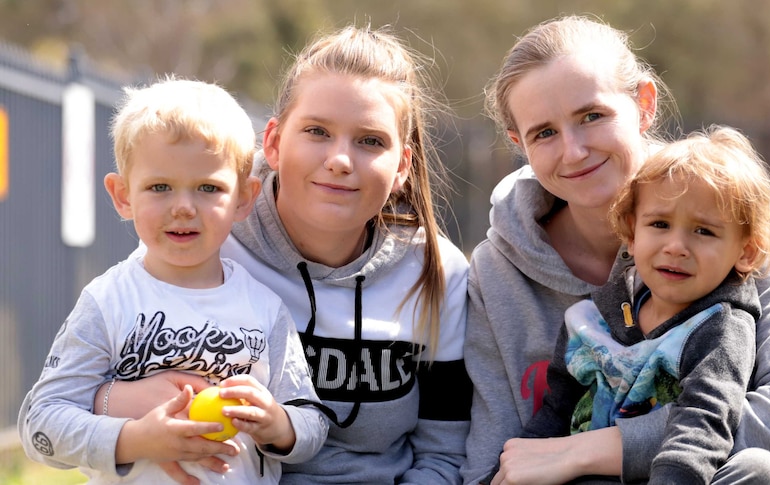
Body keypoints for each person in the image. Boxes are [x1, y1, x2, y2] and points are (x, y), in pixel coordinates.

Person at [462, 14, 770, 485]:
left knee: (760, 472)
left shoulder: (727, 226)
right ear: (520, 143)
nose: (574, 150)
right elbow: (494, 462)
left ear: (644, 104)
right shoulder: (496, 272)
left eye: (592, 116)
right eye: (544, 133)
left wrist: (593, 448)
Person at [92, 25, 473, 485]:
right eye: (317, 131)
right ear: (272, 142)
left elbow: (445, 453)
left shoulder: (437, 271)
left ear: (402, 167)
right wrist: (122, 407)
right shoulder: (207, 236)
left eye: (370, 140)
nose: (340, 160)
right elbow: (81, 394)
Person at [17, 77, 328, 484]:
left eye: (208, 187)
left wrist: (279, 424)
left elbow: (313, 424)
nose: (183, 207)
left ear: (244, 198)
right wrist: (134, 439)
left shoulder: (265, 308)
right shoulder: (108, 301)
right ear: (123, 195)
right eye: (159, 187)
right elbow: (40, 425)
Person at [508, 125, 770, 484]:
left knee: (758, 470)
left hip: (678, 475)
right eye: (660, 224)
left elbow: (701, 422)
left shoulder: (720, 327)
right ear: (631, 234)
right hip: (589, 477)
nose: (676, 246)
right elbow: (555, 412)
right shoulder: (592, 319)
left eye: (703, 231)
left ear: (747, 252)